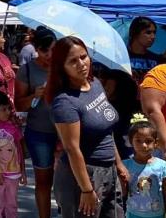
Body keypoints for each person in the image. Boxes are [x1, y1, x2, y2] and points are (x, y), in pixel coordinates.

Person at [47, 36, 126, 217]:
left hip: (108, 170)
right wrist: (87, 190)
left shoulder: (95, 84)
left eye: (83, 57)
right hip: (82, 177)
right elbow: (72, 149)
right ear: (62, 67)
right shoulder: (64, 101)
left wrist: (119, 163)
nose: (81, 64)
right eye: (73, 61)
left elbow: (106, 129)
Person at [13, 27, 57, 218]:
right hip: (39, 132)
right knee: (44, 181)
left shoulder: (64, 67)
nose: (49, 55)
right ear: (35, 49)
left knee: (66, 180)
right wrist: (34, 95)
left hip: (65, 131)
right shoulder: (27, 70)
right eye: (44, 50)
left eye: (53, 50)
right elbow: (19, 104)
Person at [0, 90, 26, 218]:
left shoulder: (13, 127)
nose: (7, 112)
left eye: (8, 109)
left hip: (14, 173)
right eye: (3, 109)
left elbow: (19, 150)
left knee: (11, 204)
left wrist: (23, 171)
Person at [120, 114, 166, 218]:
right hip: (133, 214)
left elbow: (165, 192)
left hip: (157, 214)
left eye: (148, 141)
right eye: (138, 141)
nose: (144, 145)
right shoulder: (125, 165)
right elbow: (123, 193)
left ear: (156, 143)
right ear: (131, 142)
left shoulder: (163, 166)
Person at [128, 17, 163, 86]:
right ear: (135, 33)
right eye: (148, 32)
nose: (153, 37)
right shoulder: (122, 57)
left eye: (154, 32)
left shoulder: (156, 59)